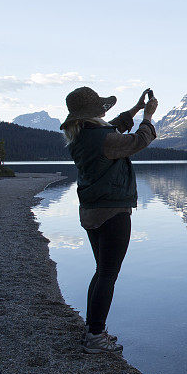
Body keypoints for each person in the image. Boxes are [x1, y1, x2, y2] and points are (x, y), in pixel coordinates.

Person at [60, 86, 158, 353]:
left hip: (91, 211)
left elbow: (113, 128)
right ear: (94, 113)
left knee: (101, 271)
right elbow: (138, 141)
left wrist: (136, 109)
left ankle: (93, 329)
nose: (106, 110)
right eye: (101, 107)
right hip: (113, 212)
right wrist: (147, 117)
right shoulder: (103, 139)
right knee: (108, 275)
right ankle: (95, 336)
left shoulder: (81, 137)